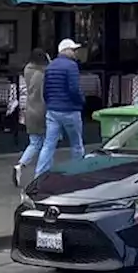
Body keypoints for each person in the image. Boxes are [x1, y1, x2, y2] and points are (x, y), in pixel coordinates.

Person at [36, 39, 85, 175]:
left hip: (53, 110)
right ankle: (78, 172)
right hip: (70, 109)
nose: (75, 52)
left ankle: (40, 174)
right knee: (76, 144)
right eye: (73, 50)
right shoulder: (71, 66)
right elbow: (74, 89)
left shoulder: (50, 66)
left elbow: (45, 90)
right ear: (66, 50)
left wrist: (50, 103)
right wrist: (81, 101)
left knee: (48, 144)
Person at [13, 49, 49, 187]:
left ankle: (21, 165)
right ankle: (42, 173)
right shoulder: (41, 74)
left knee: (34, 142)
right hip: (41, 110)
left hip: (30, 109)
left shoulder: (28, 70)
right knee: (47, 144)